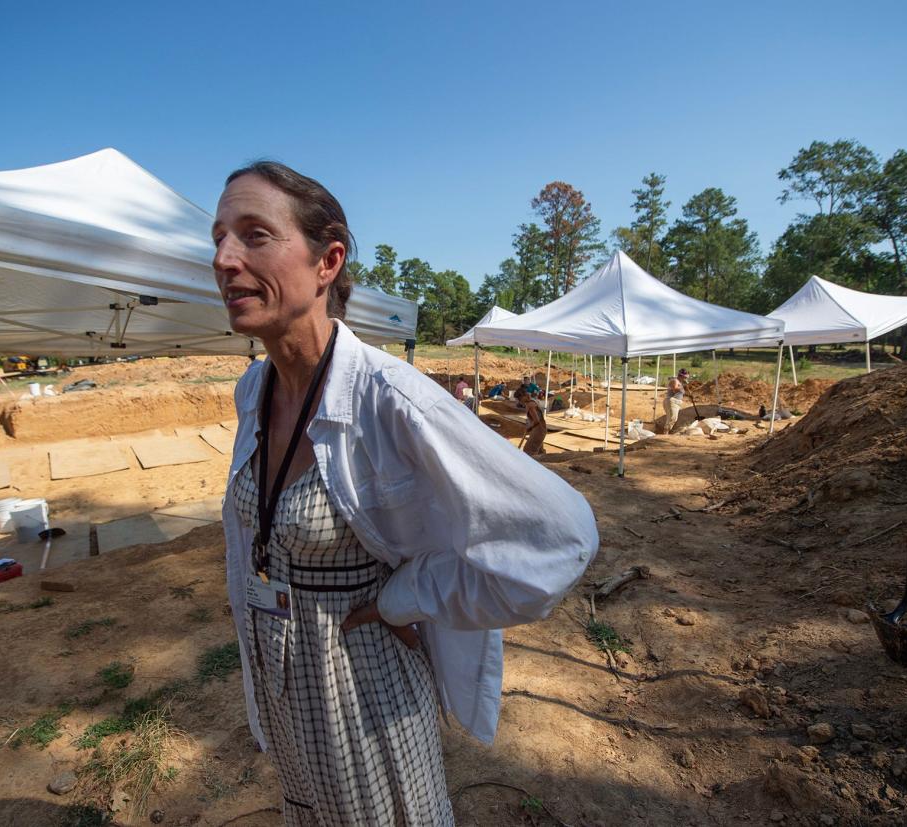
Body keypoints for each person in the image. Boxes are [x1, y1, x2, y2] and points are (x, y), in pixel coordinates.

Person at [212, 162, 598, 826]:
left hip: (363, 695)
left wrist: (408, 595)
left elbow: (561, 534)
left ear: (327, 261)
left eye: (253, 235)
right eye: (218, 237)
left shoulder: (388, 397)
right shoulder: (254, 389)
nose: (223, 259)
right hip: (285, 684)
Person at [515, 387, 547, 455]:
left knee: (528, 450)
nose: (520, 401)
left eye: (520, 399)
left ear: (523, 396)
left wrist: (529, 427)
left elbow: (536, 420)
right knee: (539, 452)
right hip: (540, 430)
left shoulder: (530, 405)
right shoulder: (530, 402)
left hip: (538, 430)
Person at [664, 368, 688, 432]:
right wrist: (683, 387)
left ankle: (666, 432)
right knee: (672, 418)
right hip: (672, 401)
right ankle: (665, 433)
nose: (686, 379)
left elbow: (680, 392)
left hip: (676, 402)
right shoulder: (675, 380)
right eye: (685, 377)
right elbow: (674, 388)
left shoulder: (680, 382)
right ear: (681, 376)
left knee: (673, 418)